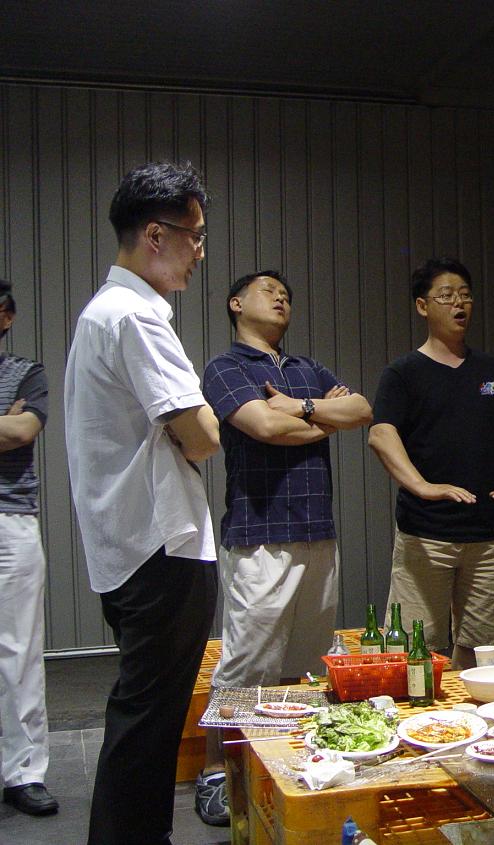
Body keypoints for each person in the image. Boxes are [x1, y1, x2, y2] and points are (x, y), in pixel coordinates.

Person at [64, 161, 220, 845]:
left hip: (130, 549)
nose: (199, 252)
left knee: (145, 723)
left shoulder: (104, 311)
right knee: (146, 727)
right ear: (156, 235)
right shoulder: (134, 315)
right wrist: (200, 427)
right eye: (195, 236)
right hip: (160, 548)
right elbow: (203, 435)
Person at [195, 270, 372, 823]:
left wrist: (298, 407)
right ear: (235, 303)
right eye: (268, 290)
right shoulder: (225, 367)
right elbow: (264, 427)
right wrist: (321, 417)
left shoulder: (305, 368)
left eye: (286, 294)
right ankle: (216, 774)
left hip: (317, 529)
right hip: (259, 533)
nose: (280, 298)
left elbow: (361, 410)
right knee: (246, 665)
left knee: (304, 665)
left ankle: (282, 765)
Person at [369, 258, 494, 670]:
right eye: (446, 296)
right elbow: (381, 434)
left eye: (465, 295)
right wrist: (422, 486)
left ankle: (470, 708)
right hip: (425, 533)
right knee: (417, 648)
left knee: (483, 648)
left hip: (488, 534)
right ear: (422, 306)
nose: (458, 304)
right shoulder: (403, 372)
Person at [0, 281, 57, 817]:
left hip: (10, 519)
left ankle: (24, 772)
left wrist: (12, 426)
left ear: (7, 317)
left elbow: (21, 430)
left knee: (18, 650)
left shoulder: (25, 372)